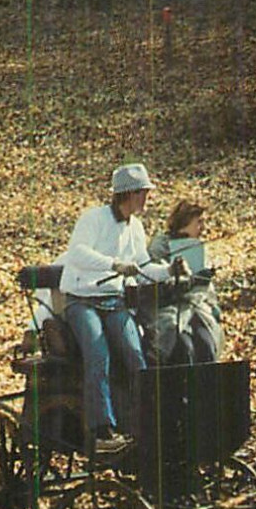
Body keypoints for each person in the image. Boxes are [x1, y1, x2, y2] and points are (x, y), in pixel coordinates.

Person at [59, 163, 171, 456]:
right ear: (128, 194)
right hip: (81, 301)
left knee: (137, 355)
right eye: (143, 194)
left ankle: (143, 425)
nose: (147, 199)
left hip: (113, 301)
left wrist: (171, 270)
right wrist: (114, 264)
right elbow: (78, 253)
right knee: (98, 355)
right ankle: (101, 432)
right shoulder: (93, 219)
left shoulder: (135, 226)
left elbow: (144, 266)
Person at [145, 199, 223, 365]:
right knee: (184, 347)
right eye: (199, 222)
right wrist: (181, 280)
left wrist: (205, 279)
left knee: (207, 344)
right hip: (166, 308)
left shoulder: (197, 246)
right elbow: (155, 280)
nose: (203, 228)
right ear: (186, 221)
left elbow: (205, 289)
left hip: (195, 306)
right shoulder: (160, 245)